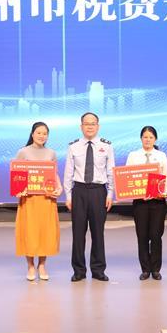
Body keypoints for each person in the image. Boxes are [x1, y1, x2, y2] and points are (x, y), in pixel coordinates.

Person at [63, 112, 115, 282]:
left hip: (98, 192)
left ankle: (98, 269)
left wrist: (110, 193)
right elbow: (68, 173)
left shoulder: (107, 146)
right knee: (78, 233)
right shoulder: (74, 146)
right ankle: (79, 270)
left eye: (93, 124)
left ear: (98, 126)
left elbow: (111, 171)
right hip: (79, 191)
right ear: (81, 126)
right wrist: (68, 196)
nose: (90, 126)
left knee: (98, 233)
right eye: (86, 124)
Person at [14, 122, 62, 281]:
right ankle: (30, 266)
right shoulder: (23, 152)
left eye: (45, 133)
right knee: (30, 231)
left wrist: (59, 187)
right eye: (39, 132)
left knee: (45, 231)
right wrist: (18, 189)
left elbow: (54, 174)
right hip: (29, 199)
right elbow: (17, 175)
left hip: (47, 198)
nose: (42, 136)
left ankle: (42, 265)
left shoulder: (51, 153)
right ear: (32, 134)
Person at [126, 126, 167, 281]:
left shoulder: (161, 155)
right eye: (145, 137)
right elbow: (127, 178)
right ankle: (145, 269)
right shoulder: (133, 155)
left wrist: (166, 191)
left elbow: (166, 176)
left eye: (151, 137)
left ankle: (156, 269)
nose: (148, 140)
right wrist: (137, 193)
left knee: (156, 235)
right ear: (141, 138)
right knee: (142, 236)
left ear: (155, 139)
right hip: (140, 203)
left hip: (158, 202)